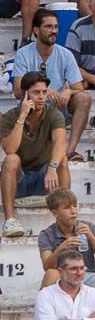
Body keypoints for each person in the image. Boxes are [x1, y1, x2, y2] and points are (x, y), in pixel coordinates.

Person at [14, 9, 91, 164]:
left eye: (56, 27)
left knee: (83, 98)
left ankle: (70, 150)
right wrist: (43, 91)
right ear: (36, 30)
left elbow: (79, 88)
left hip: (58, 106)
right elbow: (17, 90)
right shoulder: (23, 53)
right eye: (48, 27)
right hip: (33, 108)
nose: (54, 31)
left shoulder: (65, 54)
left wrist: (69, 91)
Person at [1, 73, 69, 235]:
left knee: (62, 159)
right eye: (36, 92)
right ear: (25, 94)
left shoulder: (53, 114)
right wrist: (22, 116)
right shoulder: (10, 117)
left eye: (44, 92)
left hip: (46, 178)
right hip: (20, 179)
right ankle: (10, 220)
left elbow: (60, 143)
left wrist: (52, 168)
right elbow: (10, 149)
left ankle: (65, 219)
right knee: (11, 159)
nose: (41, 97)